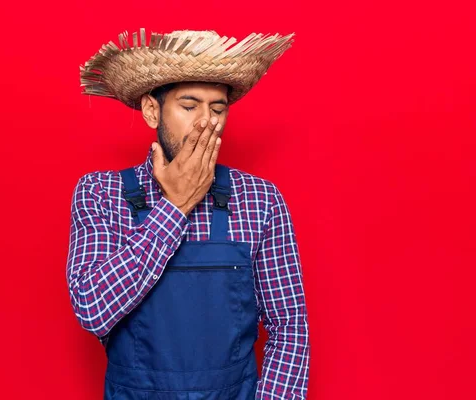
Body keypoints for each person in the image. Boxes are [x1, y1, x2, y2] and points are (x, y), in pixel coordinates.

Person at [66, 28, 310, 399]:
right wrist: (176, 206)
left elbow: (290, 328)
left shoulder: (260, 199)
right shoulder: (101, 193)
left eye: (217, 108)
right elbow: (93, 307)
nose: (206, 123)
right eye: (189, 105)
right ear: (152, 110)